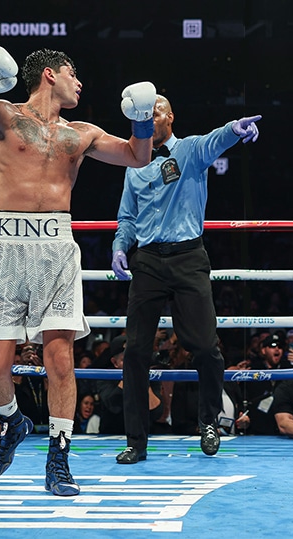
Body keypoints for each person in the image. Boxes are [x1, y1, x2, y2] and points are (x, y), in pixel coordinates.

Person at [0, 46, 156, 495]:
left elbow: (137, 157)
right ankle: (13, 424)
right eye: (73, 72)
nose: (79, 82)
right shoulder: (1, 114)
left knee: (60, 358)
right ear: (49, 75)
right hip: (4, 245)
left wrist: (142, 118)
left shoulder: (80, 133)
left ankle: (59, 460)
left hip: (56, 248)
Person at [110, 94, 261, 464]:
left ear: (170, 116)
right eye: (147, 113)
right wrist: (119, 246)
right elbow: (127, 218)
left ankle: (208, 422)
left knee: (206, 348)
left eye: (158, 109)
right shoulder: (134, 165)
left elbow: (215, 139)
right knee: (135, 353)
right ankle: (136, 442)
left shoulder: (191, 150)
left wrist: (234, 129)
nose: (152, 116)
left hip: (188, 256)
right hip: (146, 260)